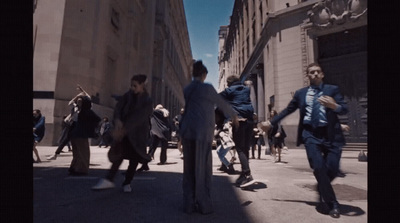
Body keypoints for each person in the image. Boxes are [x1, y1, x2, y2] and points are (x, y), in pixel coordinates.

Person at [259, 62, 348, 218]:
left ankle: (322, 187)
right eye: (311, 72)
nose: (314, 74)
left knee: (332, 170)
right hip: (310, 134)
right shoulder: (300, 93)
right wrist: (271, 122)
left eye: (317, 72)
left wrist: (335, 106)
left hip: (331, 135)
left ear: (322, 74)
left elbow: (344, 107)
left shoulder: (332, 90)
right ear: (307, 76)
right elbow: (288, 110)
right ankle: (332, 203)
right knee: (319, 168)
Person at [179, 60, 238, 214]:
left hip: (187, 132)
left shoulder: (187, 89)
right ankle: (203, 204)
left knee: (189, 169)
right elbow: (222, 104)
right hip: (202, 133)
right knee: (203, 169)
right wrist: (234, 116)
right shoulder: (207, 88)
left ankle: (188, 204)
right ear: (204, 74)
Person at [92, 74, 153, 193]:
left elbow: (139, 118)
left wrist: (123, 129)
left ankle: (127, 182)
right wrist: (118, 120)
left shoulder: (147, 101)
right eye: (131, 85)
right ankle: (109, 179)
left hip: (138, 135)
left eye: (135, 86)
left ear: (142, 85)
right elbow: (118, 108)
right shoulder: (128, 96)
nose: (132, 88)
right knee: (119, 155)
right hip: (125, 133)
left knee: (134, 159)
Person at [219, 75, 256, 188]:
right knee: (245, 148)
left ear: (229, 83)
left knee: (239, 148)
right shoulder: (246, 89)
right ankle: (243, 175)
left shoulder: (229, 90)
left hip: (239, 121)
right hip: (250, 122)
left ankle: (247, 174)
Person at [68, 85, 101, 176]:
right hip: (77, 134)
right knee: (79, 152)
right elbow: (71, 102)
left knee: (81, 152)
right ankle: (77, 168)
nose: (78, 103)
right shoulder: (79, 110)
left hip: (79, 134)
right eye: (78, 101)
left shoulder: (84, 111)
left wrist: (82, 91)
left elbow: (97, 119)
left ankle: (78, 168)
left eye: (80, 101)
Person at [137, 104, 171, 171]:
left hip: (156, 131)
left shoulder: (157, 112)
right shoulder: (164, 113)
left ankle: (145, 163)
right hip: (164, 132)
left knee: (152, 148)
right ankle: (162, 160)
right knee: (163, 148)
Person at [214, 108, 235, 174]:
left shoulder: (223, 124)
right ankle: (225, 165)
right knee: (218, 152)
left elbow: (216, 134)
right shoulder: (221, 123)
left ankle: (229, 165)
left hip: (227, 141)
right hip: (226, 142)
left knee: (220, 154)